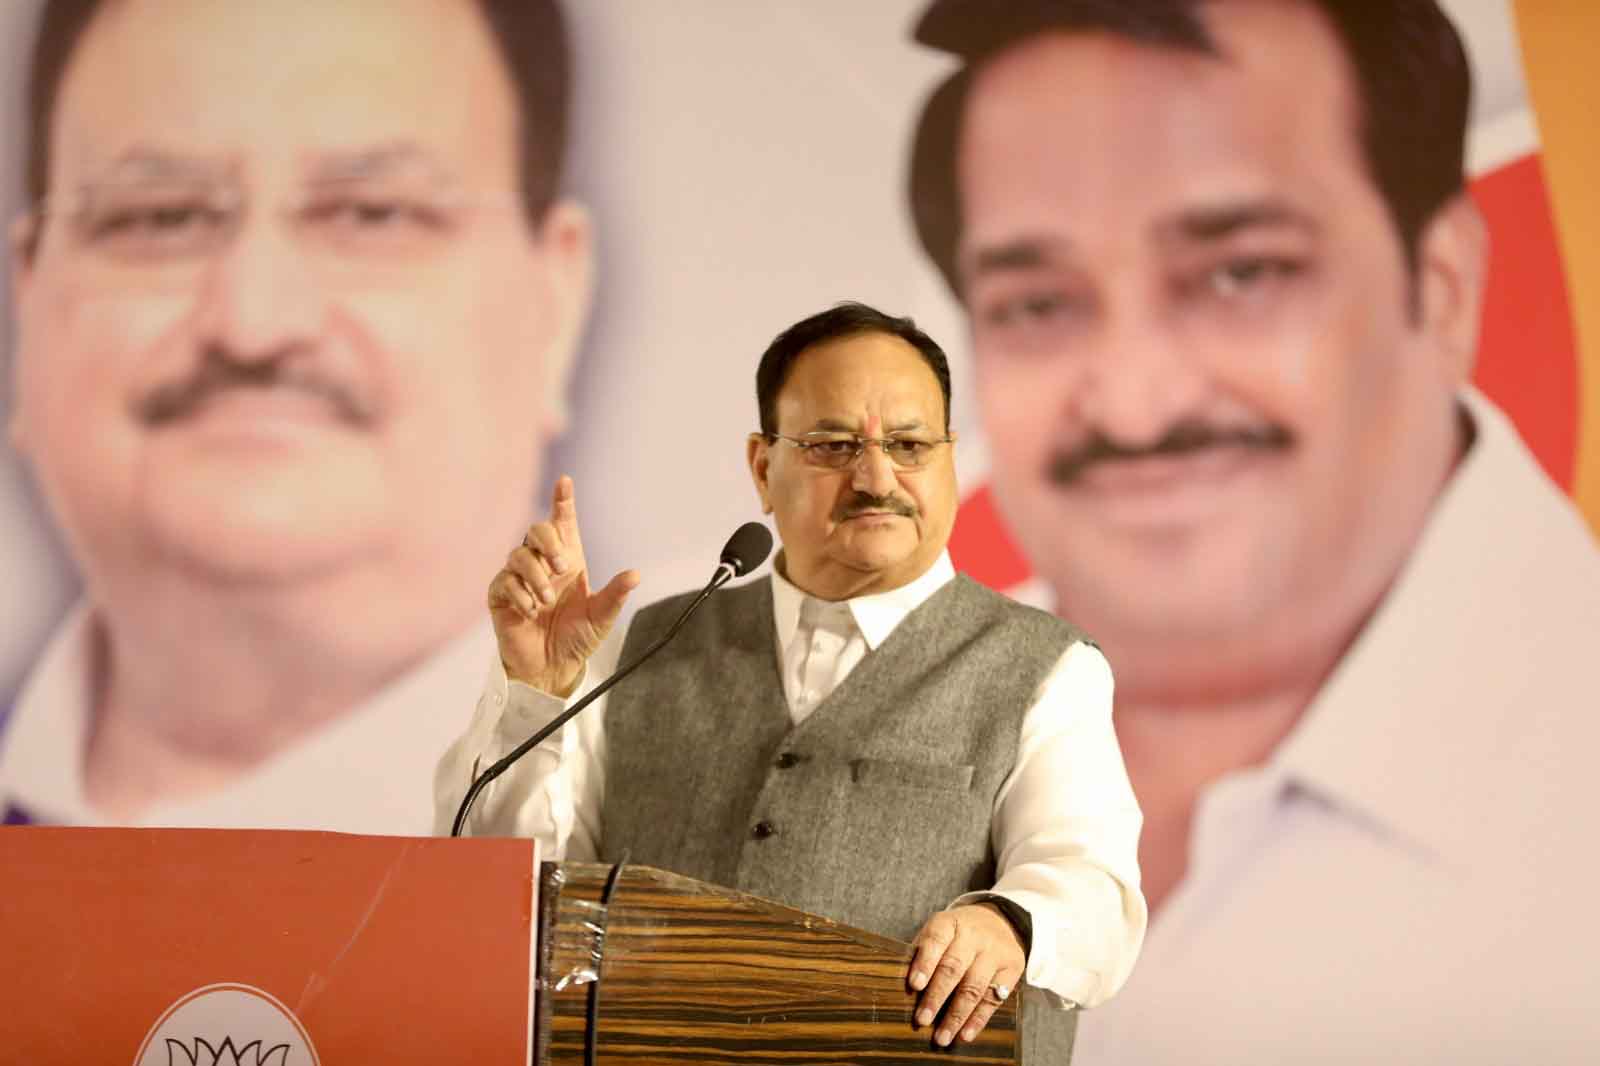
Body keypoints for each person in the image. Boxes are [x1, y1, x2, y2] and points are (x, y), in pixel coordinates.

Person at [905, 0, 1600, 1061]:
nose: (1133, 402)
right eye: (1038, 303)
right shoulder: (884, 724)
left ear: (1444, 285)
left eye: (1240, 273)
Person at [438, 302, 1146, 1060]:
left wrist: (1011, 922)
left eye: (909, 445)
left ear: (949, 457)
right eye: (833, 445)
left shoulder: (1047, 668)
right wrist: (535, 692)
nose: (877, 478)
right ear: (761, 469)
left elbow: (1092, 888)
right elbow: (517, 898)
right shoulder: (641, 646)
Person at [0, 0, 591, 831]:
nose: (255, 321)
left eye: (372, 213)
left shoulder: (707, 841)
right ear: (29, 301)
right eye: (159, 218)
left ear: (554, 306)